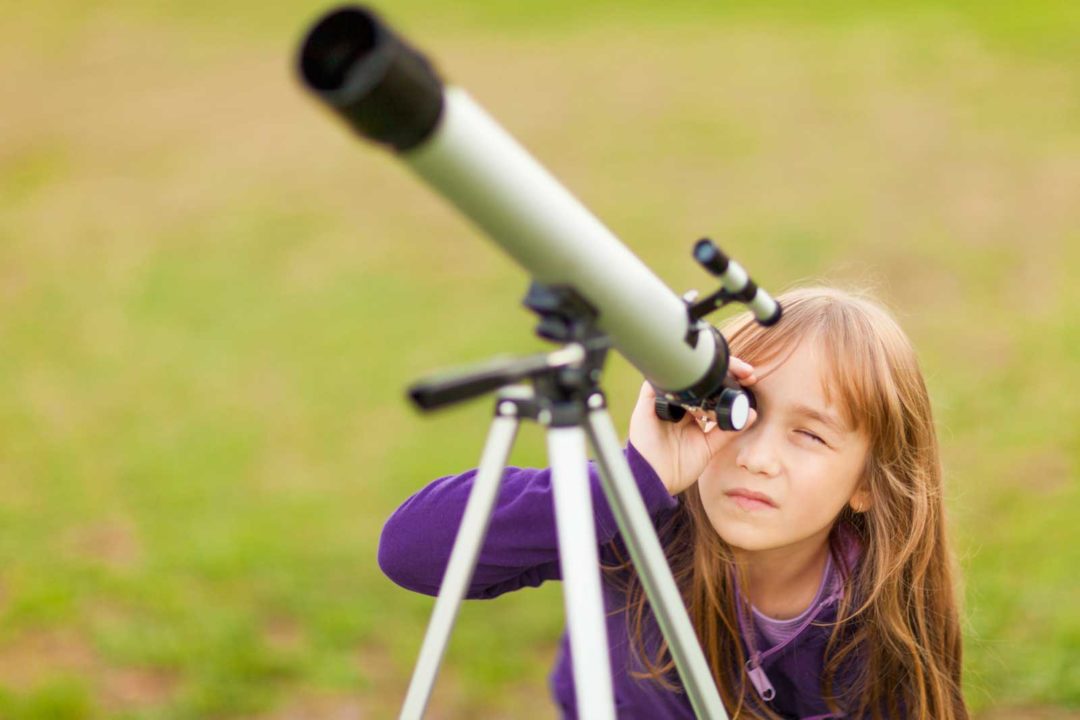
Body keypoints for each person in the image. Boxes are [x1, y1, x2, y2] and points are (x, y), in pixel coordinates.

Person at [378, 286, 968, 719]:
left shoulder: (881, 604)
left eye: (809, 435)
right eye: (742, 410)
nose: (758, 457)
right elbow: (411, 550)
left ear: (868, 482)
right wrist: (634, 478)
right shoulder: (636, 523)